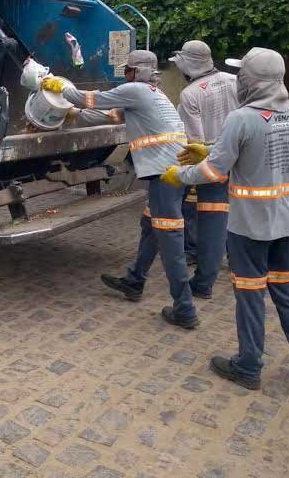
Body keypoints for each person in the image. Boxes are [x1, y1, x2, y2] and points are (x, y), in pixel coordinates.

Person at [161, 47, 289, 390]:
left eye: (243, 73)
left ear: (251, 80)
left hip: (250, 227)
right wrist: (212, 148)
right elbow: (253, 151)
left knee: (250, 295)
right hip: (285, 223)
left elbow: (214, 171)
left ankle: (248, 366)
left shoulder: (241, 117)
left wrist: (182, 174)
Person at [42, 50, 199, 328]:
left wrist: (61, 87)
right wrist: (70, 116)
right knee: (150, 226)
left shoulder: (135, 89)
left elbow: (87, 98)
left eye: (127, 69)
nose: (124, 74)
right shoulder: (153, 93)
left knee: (171, 240)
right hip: (174, 173)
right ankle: (135, 280)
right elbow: (109, 115)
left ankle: (185, 309)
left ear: (136, 72)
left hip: (166, 175)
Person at [168, 39, 239, 297]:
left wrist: (186, 173)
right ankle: (240, 264)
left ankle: (204, 283)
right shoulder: (234, 80)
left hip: (213, 164)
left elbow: (196, 141)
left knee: (212, 223)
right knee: (236, 216)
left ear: (188, 65)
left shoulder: (190, 94)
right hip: (240, 160)